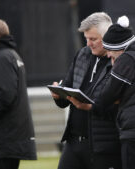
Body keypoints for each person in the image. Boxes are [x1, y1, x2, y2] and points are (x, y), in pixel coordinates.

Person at [67, 16, 135, 169]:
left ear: (120, 47)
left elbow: (108, 95)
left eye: (110, 50)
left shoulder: (127, 59)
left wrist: (91, 106)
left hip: (134, 133)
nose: (109, 55)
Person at [51, 12, 122, 169]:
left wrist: (91, 106)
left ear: (107, 37)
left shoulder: (120, 61)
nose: (89, 44)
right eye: (86, 39)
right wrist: (58, 95)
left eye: (93, 39)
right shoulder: (82, 54)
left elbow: (118, 105)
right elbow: (67, 91)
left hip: (102, 145)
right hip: (73, 141)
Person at [0, 19, 37, 169]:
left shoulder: (2, 57)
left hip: (6, 137)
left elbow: (6, 94)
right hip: (10, 136)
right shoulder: (10, 55)